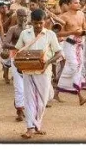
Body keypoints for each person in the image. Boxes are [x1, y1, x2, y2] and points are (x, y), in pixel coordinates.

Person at [14, 8, 63, 140]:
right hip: (28, 70)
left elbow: (59, 53)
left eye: (40, 23)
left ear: (44, 21)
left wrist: (47, 63)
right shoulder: (25, 33)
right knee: (29, 99)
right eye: (35, 23)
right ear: (31, 22)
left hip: (44, 71)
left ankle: (37, 125)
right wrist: (18, 64)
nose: (38, 25)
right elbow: (17, 50)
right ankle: (30, 128)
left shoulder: (50, 34)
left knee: (42, 101)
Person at [54, 0, 86, 105]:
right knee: (74, 66)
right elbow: (58, 33)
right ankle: (80, 96)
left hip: (79, 44)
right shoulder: (64, 17)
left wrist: (83, 32)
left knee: (73, 68)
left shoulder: (81, 14)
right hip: (69, 44)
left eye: (79, 2)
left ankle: (56, 93)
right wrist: (72, 32)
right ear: (69, 4)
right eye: (75, 3)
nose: (79, 4)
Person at [2, 7, 30, 121]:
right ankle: (19, 110)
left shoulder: (31, 29)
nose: (23, 18)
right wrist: (17, 47)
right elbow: (5, 43)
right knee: (19, 86)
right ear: (17, 17)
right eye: (21, 16)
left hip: (30, 59)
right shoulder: (13, 29)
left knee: (28, 86)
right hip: (16, 58)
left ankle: (24, 107)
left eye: (25, 16)